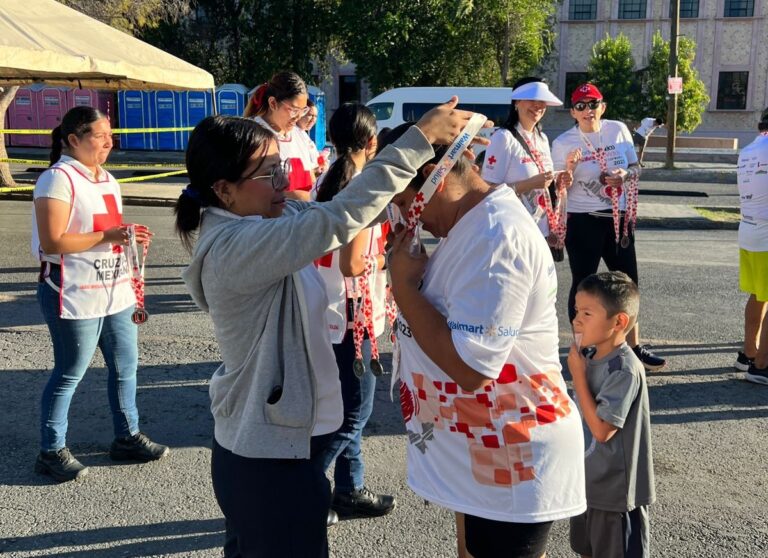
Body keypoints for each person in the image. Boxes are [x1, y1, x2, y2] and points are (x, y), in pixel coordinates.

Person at [175, 99, 490, 557]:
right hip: (268, 462)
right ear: (224, 190)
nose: (283, 181)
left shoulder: (268, 217)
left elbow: (348, 211)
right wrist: (417, 141)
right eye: (268, 174)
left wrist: (441, 180)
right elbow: (334, 219)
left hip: (276, 447)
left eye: (281, 166)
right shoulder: (235, 246)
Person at [383, 122, 586, 558]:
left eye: (403, 202)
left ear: (436, 176)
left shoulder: (497, 237)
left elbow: (472, 368)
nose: (403, 217)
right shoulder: (472, 226)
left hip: (513, 446)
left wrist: (402, 290)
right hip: (487, 444)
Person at [32, 106, 168, 483]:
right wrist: (109, 236)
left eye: (111, 134)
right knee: (70, 371)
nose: (109, 141)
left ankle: (127, 436)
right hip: (70, 288)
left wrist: (127, 235)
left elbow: (103, 229)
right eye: (100, 135)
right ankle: (51, 448)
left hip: (112, 286)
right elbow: (53, 240)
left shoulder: (106, 178)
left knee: (126, 365)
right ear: (73, 140)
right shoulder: (56, 179)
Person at [313, 103, 396, 522]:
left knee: (345, 406)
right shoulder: (362, 188)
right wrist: (389, 259)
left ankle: (349, 488)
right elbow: (352, 263)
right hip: (351, 312)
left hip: (329, 307)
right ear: (371, 141)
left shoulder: (326, 177)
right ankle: (303, 488)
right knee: (354, 412)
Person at [552, 83, 667, 372]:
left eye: (593, 104)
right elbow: (557, 186)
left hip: (617, 218)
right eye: (581, 106)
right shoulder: (564, 141)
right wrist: (567, 170)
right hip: (583, 219)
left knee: (629, 283)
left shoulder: (617, 130)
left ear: (603, 107)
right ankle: (581, 349)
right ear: (572, 112)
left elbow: (635, 167)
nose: (588, 110)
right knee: (583, 283)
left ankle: (633, 348)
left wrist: (624, 175)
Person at [567, 271, 655, 558]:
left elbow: (603, 430)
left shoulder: (624, 369)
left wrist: (577, 376)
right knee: (586, 549)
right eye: (577, 310)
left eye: (587, 313)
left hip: (615, 496)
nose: (577, 319)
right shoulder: (590, 357)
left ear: (619, 322)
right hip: (588, 486)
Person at [481, 77, 578, 260]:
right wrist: (529, 184)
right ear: (517, 102)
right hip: (512, 231)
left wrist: (559, 181)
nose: (538, 106)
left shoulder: (541, 139)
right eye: (532, 100)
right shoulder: (503, 138)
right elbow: (487, 192)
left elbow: (546, 181)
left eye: (542, 101)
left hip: (540, 230)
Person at [244, 71, 316, 201]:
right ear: (273, 103)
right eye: (294, 110)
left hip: (304, 215)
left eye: (303, 110)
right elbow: (255, 187)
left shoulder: (299, 134)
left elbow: (310, 177)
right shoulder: (253, 136)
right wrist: (303, 198)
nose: (299, 117)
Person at [735, 107, 768, 384]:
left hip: (749, 230)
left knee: (759, 294)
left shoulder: (749, 149)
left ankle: (748, 353)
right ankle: (762, 364)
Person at [297, 98, 324, 175]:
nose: (313, 119)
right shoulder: (293, 134)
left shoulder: (304, 134)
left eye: (315, 116)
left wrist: (322, 162)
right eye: (310, 115)